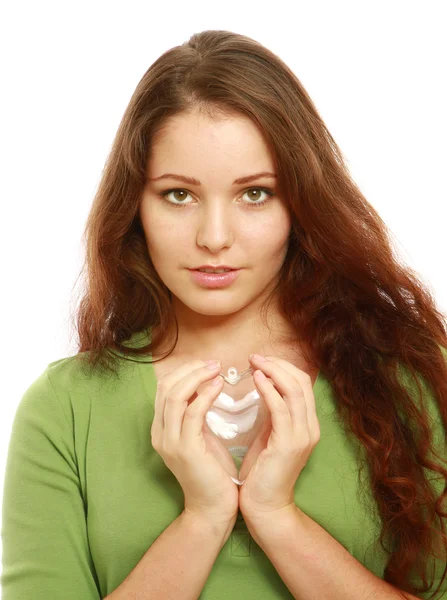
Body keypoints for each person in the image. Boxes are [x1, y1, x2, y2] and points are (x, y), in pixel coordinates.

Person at [2, 29, 447, 600]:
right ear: (134, 205)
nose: (215, 238)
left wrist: (276, 516)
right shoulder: (64, 409)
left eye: (255, 193)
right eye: (178, 195)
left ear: (301, 203)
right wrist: (203, 518)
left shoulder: (411, 376)